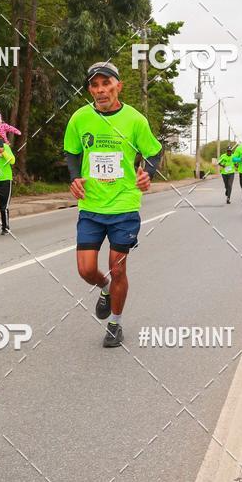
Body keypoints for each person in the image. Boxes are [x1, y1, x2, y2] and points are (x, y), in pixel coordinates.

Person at [64, 61, 162, 348]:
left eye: (106, 84)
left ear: (118, 86)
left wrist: (148, 173)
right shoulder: (80, 118)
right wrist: (75, 177)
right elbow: (72, 151)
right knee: (85, 270)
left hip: (123, 206)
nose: (100, 90)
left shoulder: (135, 120)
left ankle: (115, 324)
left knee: (118, 268)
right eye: (94, 85)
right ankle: (104, 288)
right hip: (91, 206)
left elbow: (154, 152)